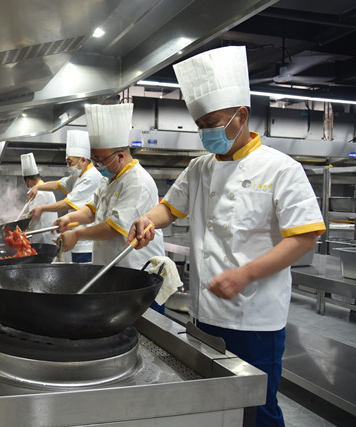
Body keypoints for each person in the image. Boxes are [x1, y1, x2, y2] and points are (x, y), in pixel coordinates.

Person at [126, 46, 326, 427]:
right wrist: (147, 219)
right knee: (213, 408)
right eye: (200, 125)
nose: (205, 132)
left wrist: (245, 274)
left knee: (257, 411)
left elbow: (304, 239)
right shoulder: (199, 168)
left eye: (212, 122)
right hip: (204, 313)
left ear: (242, 115)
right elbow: (169, 208)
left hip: (255, 319)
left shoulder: (282, 169)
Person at [54, 103, 166, 313]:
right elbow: (91, 210)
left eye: (100, 160)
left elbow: (115, 228)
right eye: (94, 160)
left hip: (138, 277)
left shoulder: (137, 182)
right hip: (113, 273)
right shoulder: (109, 179)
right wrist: (69, 219)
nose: (97, 165)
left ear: (120, 156)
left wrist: (77, 234)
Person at [26, 130, 102, 262]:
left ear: (83, 160)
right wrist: (37, 187)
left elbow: (67, 203)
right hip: (76, 237)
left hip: (86, 243)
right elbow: (57, 184)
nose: (68, 166)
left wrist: (42, 208)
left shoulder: (91, 177)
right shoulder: (78, 175)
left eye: (70, 162)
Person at [20, 153, 58, 244]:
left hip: (43, 240)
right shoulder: (46, 189)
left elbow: (33, 218)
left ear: (28, 181)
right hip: (49, 238)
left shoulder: (38, 193)